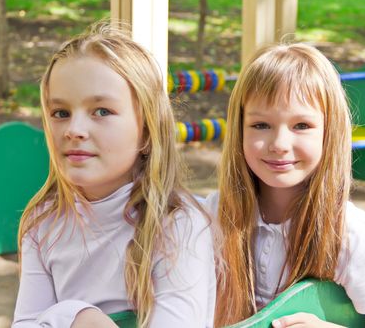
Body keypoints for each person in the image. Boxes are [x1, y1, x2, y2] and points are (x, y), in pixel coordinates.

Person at [12, 22, 216, 328]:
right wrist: (74, 316)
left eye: (102, 111)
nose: (74, 130)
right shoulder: (42, 224)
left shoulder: (179, 226)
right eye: (60, 113)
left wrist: (68, 319)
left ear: (147, 130)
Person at [208, 43, 365, 327]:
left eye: (301, 126)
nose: (280, 145)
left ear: (329, 132)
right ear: (239, 130)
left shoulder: (349, 234)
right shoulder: (213, 215)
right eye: (261, 125)